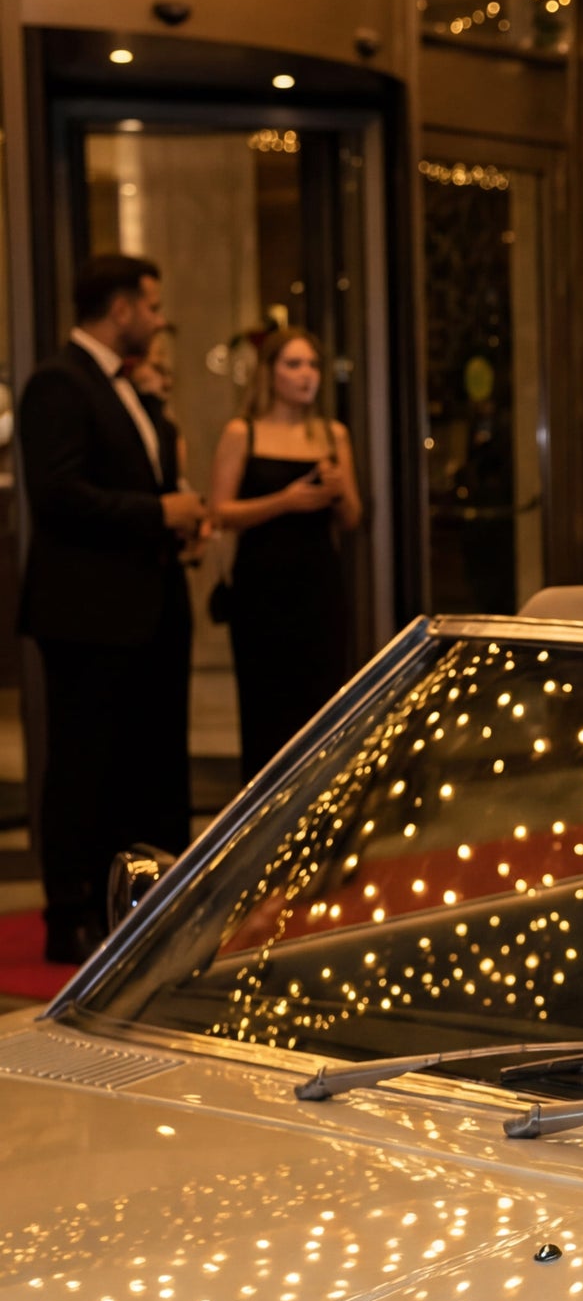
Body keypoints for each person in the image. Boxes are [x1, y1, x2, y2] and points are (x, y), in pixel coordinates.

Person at [16, 252, 207, 962]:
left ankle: (144, 904)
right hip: (89, 613)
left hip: (148, 606)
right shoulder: (58, 383)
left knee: (146, 766)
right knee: (84, 765)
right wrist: (159, 512)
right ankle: (71, 913)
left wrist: (178, 522)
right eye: (150, 306)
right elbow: (58, 494)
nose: (158, 320)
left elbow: (137, 479)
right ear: (120, 308)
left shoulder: (131, 388)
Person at [208, 326, 362, 784]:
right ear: (270, 373)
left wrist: (338, 491)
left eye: (313, 365)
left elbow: (352, 517)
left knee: (322, 704)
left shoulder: (332, 434)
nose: (306, 374)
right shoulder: (243, 432)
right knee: (266, 708)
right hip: (261, 589)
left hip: (318, 586)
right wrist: (284, 501)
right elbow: (219, 512)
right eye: (294, 364)